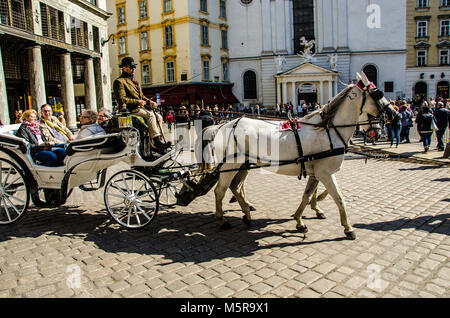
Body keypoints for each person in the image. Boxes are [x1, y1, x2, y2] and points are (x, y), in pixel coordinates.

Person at [113, 56, 169, 154]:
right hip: (130, 109)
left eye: (134, 67)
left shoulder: (134, 81)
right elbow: (121, 99)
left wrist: (149, 102)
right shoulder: (119, 82)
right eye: (131, 67)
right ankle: (156, 143)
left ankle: (157, 140)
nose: (133, 69)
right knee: (150, 115)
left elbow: (141, 96)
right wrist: (137, 102)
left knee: (159, 117)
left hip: (139, 108)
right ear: (124, 68)